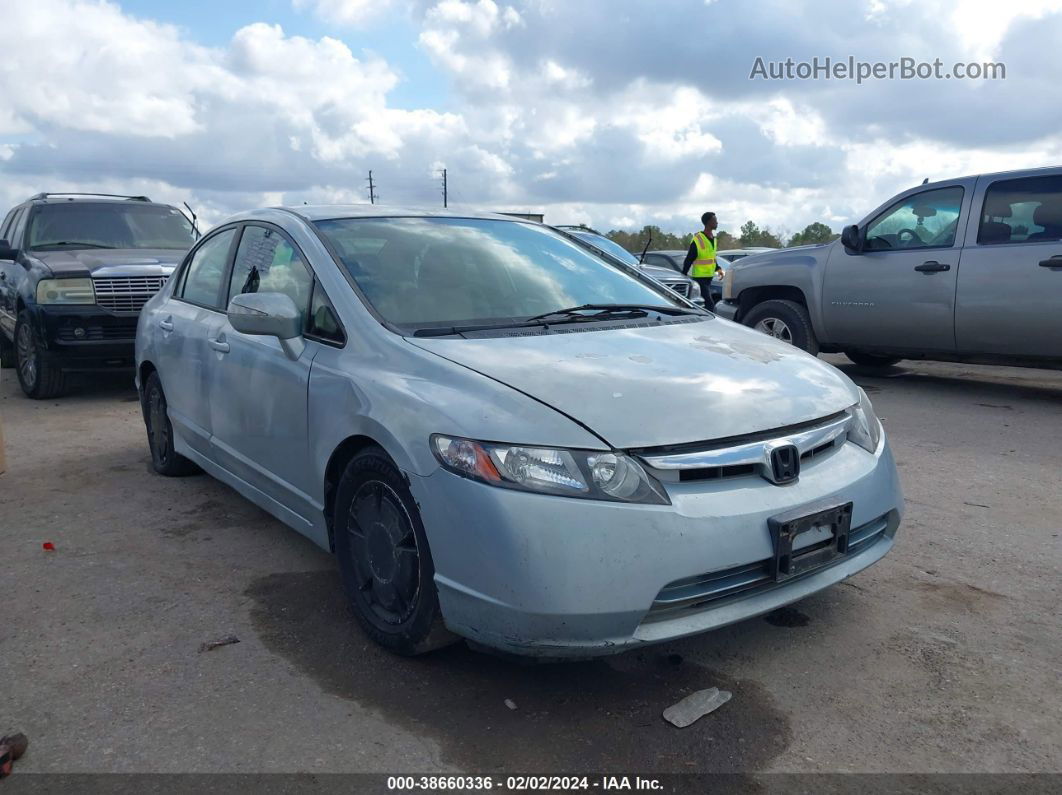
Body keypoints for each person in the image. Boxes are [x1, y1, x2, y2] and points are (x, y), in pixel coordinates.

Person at [682, 211, 722, 310]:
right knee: (710, 304)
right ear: (708, 222)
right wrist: (683, 274)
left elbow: (711, 258)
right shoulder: (698, 239)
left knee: (704, 305)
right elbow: (689, 259)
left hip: (709, 277)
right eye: (715, 220)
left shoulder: (714, 239)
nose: (717, 222)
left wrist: (718, 269)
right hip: (699, 278)